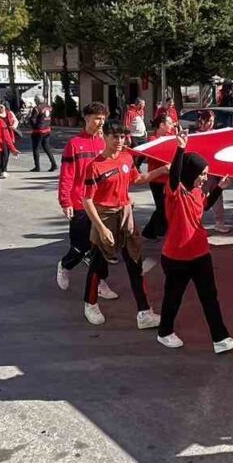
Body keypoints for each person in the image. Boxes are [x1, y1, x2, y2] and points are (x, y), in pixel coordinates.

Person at [156, 128, 233, 353]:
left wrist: (219, 190)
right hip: (177, 257)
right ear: (190, 172)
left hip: (200, 253)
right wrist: (181, 148)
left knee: (209, 297)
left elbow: (204, 206)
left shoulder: (196, 192)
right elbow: (174, 175)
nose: (205, 178)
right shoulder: (176, 192)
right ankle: (164, 332)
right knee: (173, 297)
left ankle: (220, 339)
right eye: (202, 174)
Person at [80, 119, 169, 327]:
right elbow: (87, 200)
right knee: (97, 264)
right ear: (105, 137)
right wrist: (101, 228)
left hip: (126, 214)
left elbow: (138, 179)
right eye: (115, 137)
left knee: (134, 263)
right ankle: (90, 304)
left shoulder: (127, 158)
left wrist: (162, 170)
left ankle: (144, 313)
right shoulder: (95, 166)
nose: (119, 141)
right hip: (104, 216)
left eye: (122, 137)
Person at [55, 102, 116, 298]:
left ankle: (101, 282)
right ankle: (65, 265)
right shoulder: (74, 144)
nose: (100, 122)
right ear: (87, 118)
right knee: (80, 247)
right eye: (97, 118)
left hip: (100, 204)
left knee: (102, 246)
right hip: (79, 203)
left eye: (103, 118)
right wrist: (65, 201)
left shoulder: (105, 143)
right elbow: (67, 175)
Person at [195, 110, 233, 233]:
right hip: (202, 173)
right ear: (202, 121)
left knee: (218, 197)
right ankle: (196, 224)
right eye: (209, 121)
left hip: (215, 172)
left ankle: (219, 222)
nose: (211, 123)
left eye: (212, 121)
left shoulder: (215, 134)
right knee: (199, 200)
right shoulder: (196, 135)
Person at [141, 112, 176, 240]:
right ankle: (149, 231)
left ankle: (159, 230)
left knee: (166, 206)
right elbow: (158, 156)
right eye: (170, 123)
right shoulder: (153, 140)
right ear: (162, 125)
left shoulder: (170, 137)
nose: (172, 125)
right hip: (157, 179)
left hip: (168, 179)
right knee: (162, 207)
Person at [27, 97, 58, 172]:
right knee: (47, 148)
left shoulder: (37, 108)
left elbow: (32, 119)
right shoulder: (49, 107)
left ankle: (37, 167)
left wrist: (34, 126)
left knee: (36, 149)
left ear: (37, 101)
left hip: (38, 131)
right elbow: (51, 117)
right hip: (47, 130)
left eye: (35, 100)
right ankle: (54, 164)